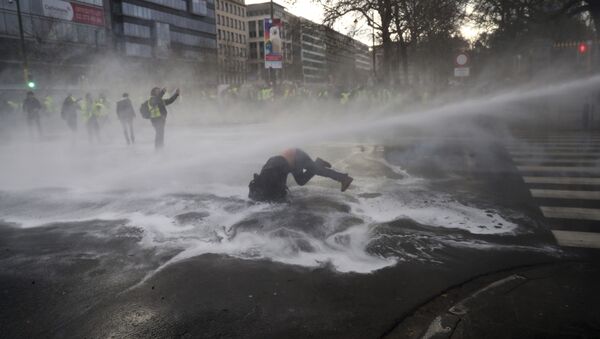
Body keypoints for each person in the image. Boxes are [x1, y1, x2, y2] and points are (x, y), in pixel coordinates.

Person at [248, 148, 353, 202]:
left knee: (316, 170)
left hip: (296, 155)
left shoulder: (270, 174)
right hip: (290, 159)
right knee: (301, 181)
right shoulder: (266, 175)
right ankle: (318, 163)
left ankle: (344, 178)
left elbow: (281, 189)